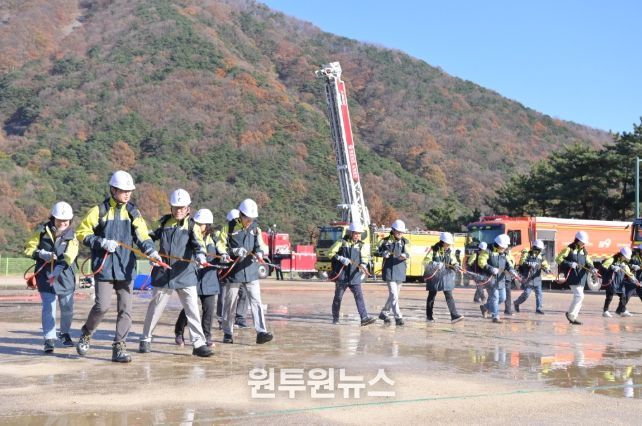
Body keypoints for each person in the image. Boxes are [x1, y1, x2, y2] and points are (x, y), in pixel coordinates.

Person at [75, 170, 160, 362]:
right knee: (102, 306)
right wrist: (101, 242)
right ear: (113, 190)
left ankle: (119, 347)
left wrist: (151, 252)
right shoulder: (99, 210)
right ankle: (86, 332)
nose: (128, 194)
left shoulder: (133, 212)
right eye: (123, 191)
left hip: (126, 267)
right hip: (104, 267)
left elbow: (142, 235)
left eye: (129, 191)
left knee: (126, 309)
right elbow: (82, 233)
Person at [138, 189, 213, 357]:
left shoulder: (192, 226)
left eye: (182, 207)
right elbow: (147, 238)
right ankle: (145, 339)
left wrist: (201, 257)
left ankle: (198, 344)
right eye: (175, 207)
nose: (179, 210)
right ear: (171, 207)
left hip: (185, 274)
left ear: (188, 209)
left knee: (192, 310)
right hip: (163, 273)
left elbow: (199, 245)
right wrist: (151, 253)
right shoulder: (163, 223)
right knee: (155, 308)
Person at [24, 202, 79, 353]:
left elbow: (70, 256)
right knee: (49, 307)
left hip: (65, 276)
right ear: (53, 218)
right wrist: (40, 254)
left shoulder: (72, 236)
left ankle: (65, 333)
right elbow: (28, 248)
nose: (63, 223)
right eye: (60, 220)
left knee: (67, 308)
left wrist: (59, 268)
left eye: (66, 221)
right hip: (45, 275)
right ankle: (49, 338)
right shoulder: (42, 231)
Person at [218, 199, 273, 344]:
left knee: (256, 302)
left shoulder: (255, 229)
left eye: (252, 219)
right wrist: (233, 251)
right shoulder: (228, 228)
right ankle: (228, 333)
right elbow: (221, 245)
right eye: (247, 218)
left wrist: (260, 252)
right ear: (240, 215)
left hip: (251, 270)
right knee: (230, 303)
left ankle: (261, 332)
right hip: (234, 273)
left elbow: (259, 245)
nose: (249, 221)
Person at [174, 208, 227, 347]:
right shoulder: (190, 235)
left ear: (207, 225)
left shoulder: (214, 238)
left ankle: (206, 336)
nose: (197, 226)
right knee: (189, 309)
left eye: (200, 224)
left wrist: (224, 255)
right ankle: (179, 332)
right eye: (196, 223)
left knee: (208, 310)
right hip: (192, 278)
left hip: (210, 280)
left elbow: (221, 247)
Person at [328, 222, 376, 326]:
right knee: (338, 297)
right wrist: (341, 258)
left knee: (359, 297)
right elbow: (330, 253)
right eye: (356, 233)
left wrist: (363, 265)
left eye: (359, 234)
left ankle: (364, 318)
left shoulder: (361, 245)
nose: (357, 236)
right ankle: (335, 318)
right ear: (350, 233)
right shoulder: (342, 242)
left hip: (355, 276)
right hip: (342, 275)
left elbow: (365, 258)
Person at [555, 231, 598, 325]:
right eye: (582, 242)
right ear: (577, 240)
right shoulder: (568, 249)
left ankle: (573, 317)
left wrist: (593, 269)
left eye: (584, 242)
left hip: (581, 278)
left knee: (580, 297)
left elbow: (589, 262)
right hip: (573, 277)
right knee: (579, 296)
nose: (584, 244)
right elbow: (558, 259)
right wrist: (570, 264)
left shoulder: (584, 251)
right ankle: (570, 314)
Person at [423, 232, 464, 324]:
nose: (449, 245)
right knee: (431, 296)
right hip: (434, 278)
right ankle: (429, 316)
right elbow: (425, 261)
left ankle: (454, 316)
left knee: (449, 295)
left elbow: (454, 261)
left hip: (446, 277)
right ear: (442, 242)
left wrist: (456, 265)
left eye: (449, 244)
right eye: (447, 243)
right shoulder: (433, 250)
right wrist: (435, 264)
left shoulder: (449, 252)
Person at [376, 219, 410, 326]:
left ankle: (384, 313)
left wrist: (405, 255)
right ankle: (398, 317)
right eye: (398, 231)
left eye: (401, 232)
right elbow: (375, 251)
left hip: (400, 270)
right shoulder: (384, 241)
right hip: (389, 271)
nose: (400, 233)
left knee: (394, 296)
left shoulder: (405, 242)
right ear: (393, 230)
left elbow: (409, 253)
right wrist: (383, 253)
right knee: (394, 294)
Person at [478, 234, 517, 323]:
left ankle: (485, 307)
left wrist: (512, 270)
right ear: (498, 245)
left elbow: (509, 263)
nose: (504, 249)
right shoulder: (488, 251)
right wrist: (491, 268)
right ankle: (495, 316)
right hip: (490, 278)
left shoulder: (504, 253)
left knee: (502, 298)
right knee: (495, 297)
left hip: (501, 279)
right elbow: (481, 261)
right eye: (502, 247)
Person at [514, 240, 550, 314]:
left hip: (537, 278)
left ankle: (538, 309)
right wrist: (528, 263)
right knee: (526, 294)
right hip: (528, 279)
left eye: (540, 249)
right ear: (534, 248)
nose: (539, 251)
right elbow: (521, 262)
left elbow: (544, 264)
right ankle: (516, 303)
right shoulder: (527, 254)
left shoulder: (541, 256)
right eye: (538, 249)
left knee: (539, 294)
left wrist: (547, 269)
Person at [601, 247, 637, 318]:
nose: (626, 259)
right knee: (609, 297)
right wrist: (612, 268)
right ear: (621, 255)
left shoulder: (623, 263)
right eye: (625, 257)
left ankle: (622, 311)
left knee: (623, 297)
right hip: (611, 282)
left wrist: (634, 279)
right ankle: (605, 311)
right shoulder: (612, 259)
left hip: (619, 283)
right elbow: (602, 267)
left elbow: (628, 273)